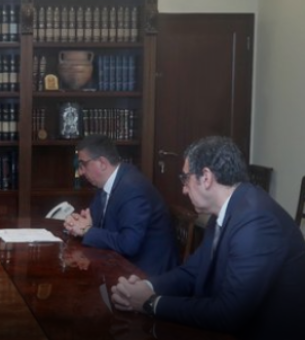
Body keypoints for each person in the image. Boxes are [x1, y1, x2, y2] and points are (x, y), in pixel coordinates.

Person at [111, 136, 305, 339]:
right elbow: (193, 271)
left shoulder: (256, 221)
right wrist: (147, 287)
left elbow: (229, 314)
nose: (184, 189)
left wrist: (150, 303)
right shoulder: (226, 209)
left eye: (185, 178)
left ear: (206, 177)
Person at [63, 134, 178, 275]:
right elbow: (95, 222)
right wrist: (79, 223)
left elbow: (129, 244)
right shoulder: (106, 184)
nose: (80, 172)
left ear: (102, 163)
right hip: (120, 262)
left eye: (83, 165)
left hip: (145, 272)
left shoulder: (132, 189)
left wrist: (87, 230)